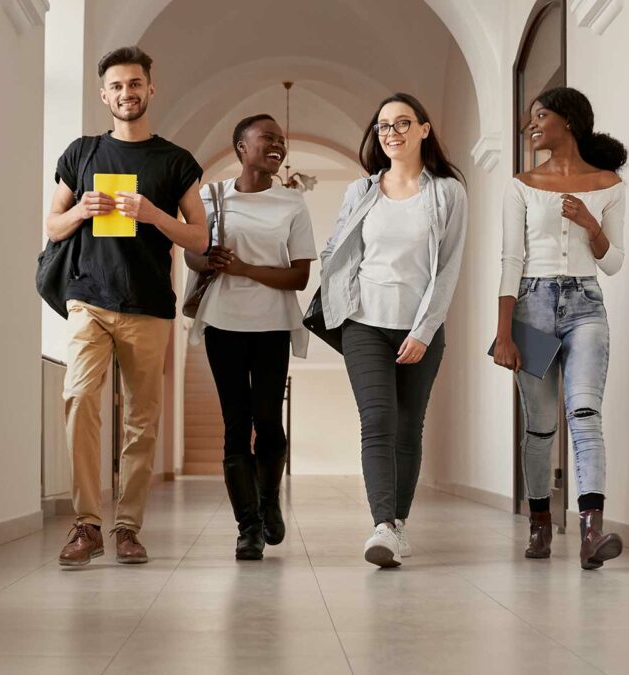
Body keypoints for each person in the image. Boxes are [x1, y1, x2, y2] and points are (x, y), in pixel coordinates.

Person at [45, 46, 208, 566]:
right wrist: (80, 212)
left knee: (141, 420)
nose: (126, 93)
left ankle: (127, 528)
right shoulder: (81, 153)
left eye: (134, 84)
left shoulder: (176, 161)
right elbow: (51, 225)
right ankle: (86, 523)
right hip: (87, 298)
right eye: (116, 86)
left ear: (150, 89)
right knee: (78, 398)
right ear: (104, 95)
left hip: (148, 305)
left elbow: (200, 240)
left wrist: (154, 214)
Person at [319, 93, 467, 568]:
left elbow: (448, 269)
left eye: (403, 123)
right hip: (364, 323)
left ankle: (399, 523)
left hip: (421, 326)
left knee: (409, 426)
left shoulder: (446, 192)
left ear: (424, 129)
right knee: (377, 421)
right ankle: (381, 525)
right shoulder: (360, 191)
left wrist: (424, 329)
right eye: (384, 126)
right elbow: (336, 249)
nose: (392, 133)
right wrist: (340, 300)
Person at [493, 86, 627, 569]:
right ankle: (540, 524)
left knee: (585, 414)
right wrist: (504, 332)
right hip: (531, 306)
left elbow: (613, 263)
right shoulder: (521, 184)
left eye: (540, 115)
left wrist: (592, 224)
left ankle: (592, 532)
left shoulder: (610, 184)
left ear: (567, 120)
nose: (532, 125)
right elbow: (511, 259)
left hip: (586, 304)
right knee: (541, 427)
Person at [184, 114, 316, 561]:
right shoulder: (211, 195)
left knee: (269, 423)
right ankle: (249, 528)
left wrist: (243, 269)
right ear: (242, 147)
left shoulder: (292, 204)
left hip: (273, 325)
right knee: (236, 427)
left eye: (281, 139)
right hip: (223, 322)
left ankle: (268, 498)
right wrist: (208, 260)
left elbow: (299, 276)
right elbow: (191, 253)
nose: (277, 144)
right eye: (267, 138)